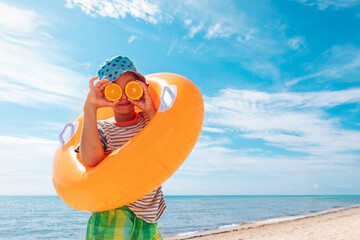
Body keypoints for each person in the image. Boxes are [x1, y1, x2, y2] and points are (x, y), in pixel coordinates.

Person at [79, 55, 167, 239]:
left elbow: (166, 142)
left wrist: (150, 109)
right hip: (112, 213)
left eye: (129, 87)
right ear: (105, 93)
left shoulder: (149, 122)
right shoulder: (103, 129)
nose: (124, 96)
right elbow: (90, 160)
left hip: (148, 216)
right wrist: (90, 107)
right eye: (114, 90)